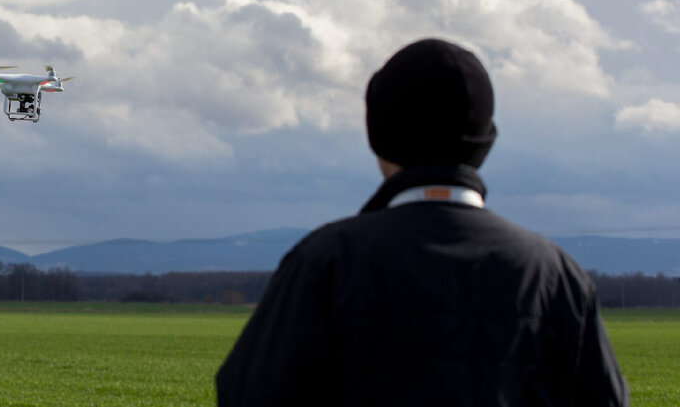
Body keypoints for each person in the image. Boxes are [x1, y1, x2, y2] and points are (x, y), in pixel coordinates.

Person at [216, 38, 627, 406]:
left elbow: (249, 393)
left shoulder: (325, 262)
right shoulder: (555, 276)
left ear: (378, 137)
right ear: (485, 140)